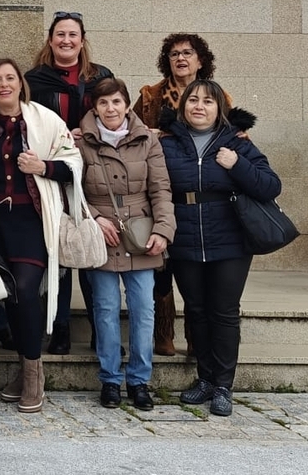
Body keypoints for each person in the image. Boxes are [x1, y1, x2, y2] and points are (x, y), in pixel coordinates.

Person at [159, 80, 280, 417]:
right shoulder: (167, 144)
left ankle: (224, 385)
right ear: (183, 106)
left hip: (230, 241)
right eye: (193, 100)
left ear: (220, 109)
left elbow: (271, 185)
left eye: (208, 102)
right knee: (196, 309)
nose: (200, 106)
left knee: (224, 311)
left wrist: (237, 165)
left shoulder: (236, 142)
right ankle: (205, 379)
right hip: (184, 240)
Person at [0, 58, 83, 413]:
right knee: (8, 293)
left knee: (25, 289)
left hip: (34, 220)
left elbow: (74, 164)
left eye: (10, 78)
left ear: (21, 83)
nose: (4, 85)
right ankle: (24, 371)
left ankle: (34, 373)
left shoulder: (46, 119)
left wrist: (43, 167)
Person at [77, 77, 175, 411]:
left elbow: (161, 189)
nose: (111, 109)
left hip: (140, 234)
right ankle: (109, 380)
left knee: (143, 310)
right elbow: (71, 192)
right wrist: (94, 218)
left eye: (117, 102)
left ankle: (139, 380)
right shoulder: (81, 141)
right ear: (95, 107)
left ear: (126, 104)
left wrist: (163, 230)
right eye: (103, 103)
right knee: (104, 309)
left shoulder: (147, 140)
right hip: (102, 234)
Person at [133, 33, 228, 357]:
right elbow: (132, 135)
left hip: (201, 197)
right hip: (158, 192)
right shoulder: (150, 96)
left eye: (188, 53)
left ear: (201, 59)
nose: (181, 58)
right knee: (161, 266)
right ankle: (164, 332)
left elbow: (230, 135)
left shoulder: (218, 96)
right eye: (174, 53)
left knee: (196, 271)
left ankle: (195, 338)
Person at [25, 11, 114, 355]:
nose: (66, 40)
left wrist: (86, 134)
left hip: (94, 171)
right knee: (58, 248)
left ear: (82, 39)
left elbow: (115, 113)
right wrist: (61, 138)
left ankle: (96, 327)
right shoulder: (35, 79)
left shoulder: (100, 76)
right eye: (60, 34)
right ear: (50, 40)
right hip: (52, 171)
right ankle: (59, 327)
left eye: (72, 35)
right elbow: (29, 123)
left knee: (90, 245)